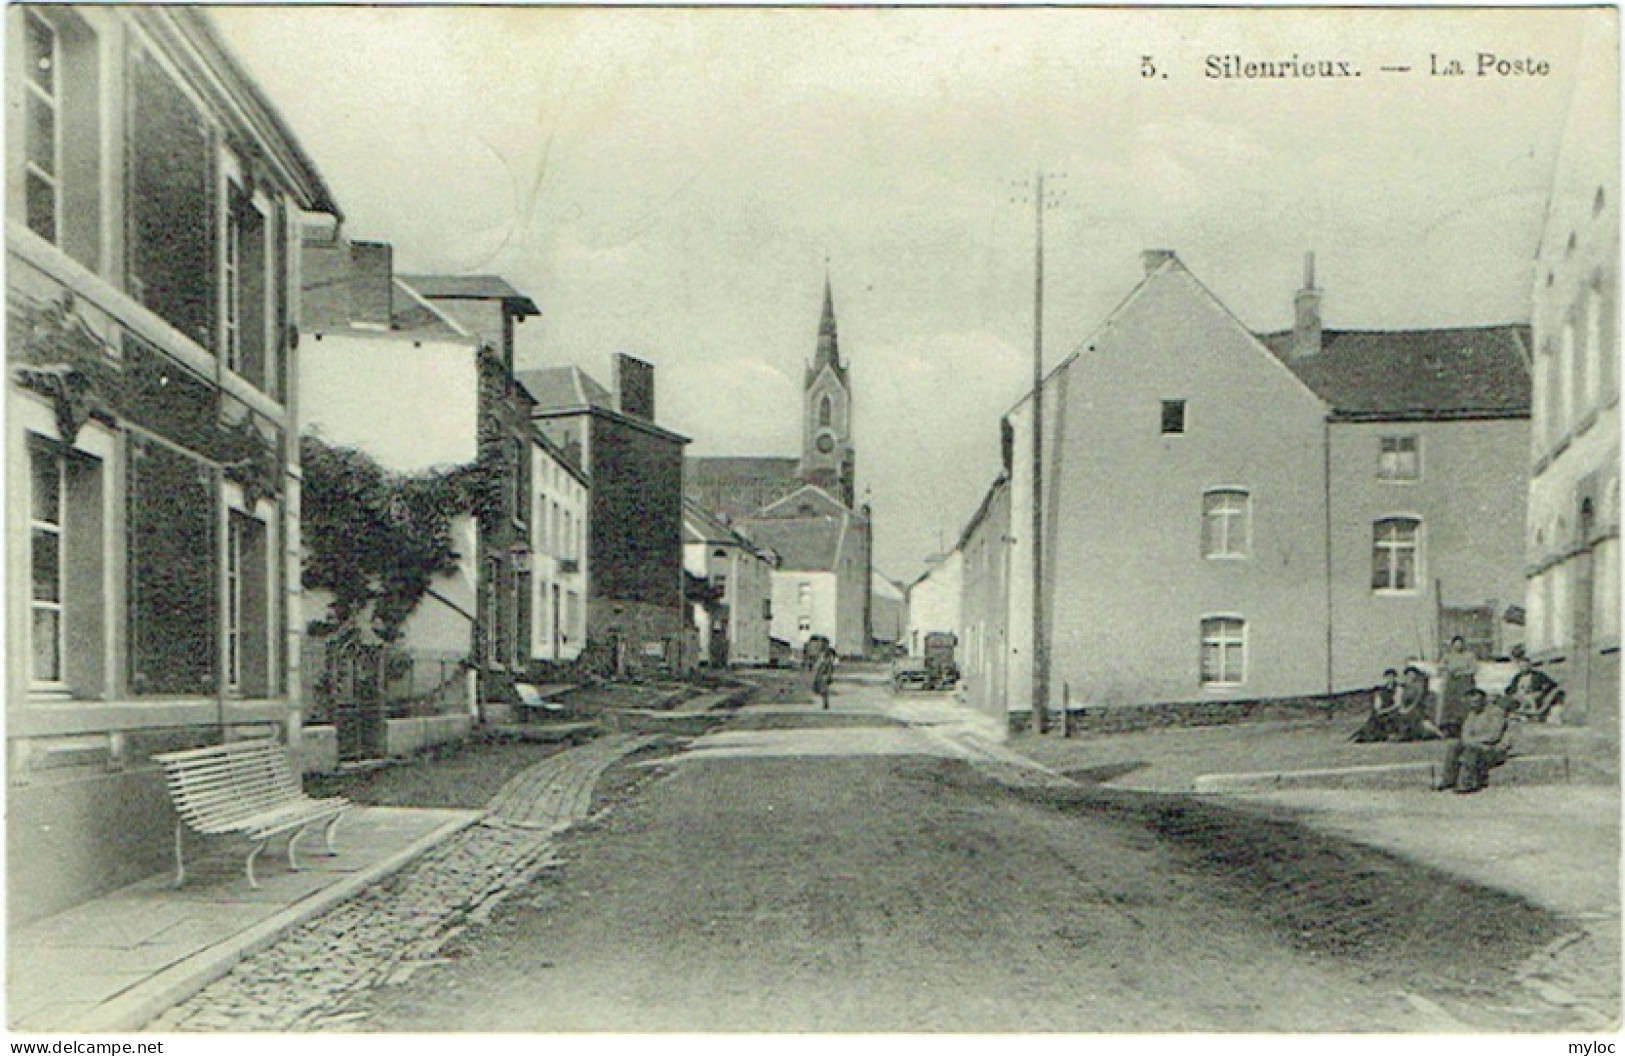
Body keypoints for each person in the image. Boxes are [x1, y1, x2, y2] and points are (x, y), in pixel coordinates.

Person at [1434, 689, 1516, 794]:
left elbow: (1494, 735)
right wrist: (1471, 742)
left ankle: (1467, 783)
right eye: (1471, 702)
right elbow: (1465, 734)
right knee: (1454, 746)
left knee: (1472, 750)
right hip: (1477, 747)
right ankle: (1448, 780)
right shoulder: (1471, 715)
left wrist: (1474, 741)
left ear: (1483, 700)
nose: (1473, 705)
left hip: (1494, 749)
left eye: (1476, 701)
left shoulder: (1496, 712)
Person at [1506, 648, 1564, 722]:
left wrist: (1544, 689)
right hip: (1520, 695)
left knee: (1529, 698)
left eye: (1526, 665)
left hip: (1533, 694)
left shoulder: (1538, 675)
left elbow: (1551, 684)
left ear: (1530, 666)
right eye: (1522, 666)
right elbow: (1511, 688)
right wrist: (1510, 692)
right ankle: (1517, 714)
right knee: (1513, 699)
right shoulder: (1517, 677)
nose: (1524, 667)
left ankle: (1534, 714)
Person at [1436, 636, 1478, 739]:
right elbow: (1440, 667)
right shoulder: (1448, 656)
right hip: (1451, 684)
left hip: (1465, 683)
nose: (1458, 645)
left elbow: (1473, 669)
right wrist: (1448, 669)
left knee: (1464, 704)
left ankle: (1464, 728)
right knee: (1450, 705)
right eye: (1456, 643)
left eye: (1460, 643)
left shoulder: (1469, 656)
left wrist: (1462, 672)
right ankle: (1449, 729)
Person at [1350, 669, 1403, 742]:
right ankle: (1367, 735)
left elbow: (1397, 704)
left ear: (1395, 677)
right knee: (1373, 718)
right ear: (1385, 678)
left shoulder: (1398, 688)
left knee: (1386, 718)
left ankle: (1380, 735)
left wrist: (1385, 711)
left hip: (1393, 711)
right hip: (1382, 710)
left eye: (1392, 677)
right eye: (1388, 677)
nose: (1390, 679)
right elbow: (1378, 703)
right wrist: (1378, 710)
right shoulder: (1382, 690)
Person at [1392, 664, 1437, 741]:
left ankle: (1414, 733)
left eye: (1412, 674)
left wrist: (1408, 709)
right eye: (1408, 675)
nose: (1410, 676)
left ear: (1415, 675)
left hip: (1417, 708)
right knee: (1397, 715)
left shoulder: (1418, 686)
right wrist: (1402, 708)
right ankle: (1401, 733)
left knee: (1412, 716)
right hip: (1407, 708)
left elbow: (1417, 700)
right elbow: (1402, 700)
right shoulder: (1406, 687)